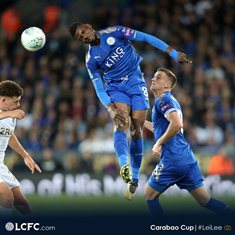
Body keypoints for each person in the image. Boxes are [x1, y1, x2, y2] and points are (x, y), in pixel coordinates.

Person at [68, 22, 191, 200]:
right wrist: (109, 107)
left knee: (136, 130)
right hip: (116, 88)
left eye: (84, 32)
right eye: (80, 38)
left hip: (136, 82)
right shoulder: (90, 60)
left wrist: (172, 52)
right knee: (121, 122)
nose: (84, 36)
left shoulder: (116, 32)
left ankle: (134, 178)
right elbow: (99, 88)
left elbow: (146, 38)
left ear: (89, 27)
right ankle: (123, 165)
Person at [144, 68, 234, 216]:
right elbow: (163, 128)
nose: (153, 79)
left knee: (149, 195)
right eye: (154, 76)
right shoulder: (169, 101)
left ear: (167, 85)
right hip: (187, 158)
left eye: (158, 77)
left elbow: (177, 124)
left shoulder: (163, 100)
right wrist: (141, 123)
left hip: (173, 159)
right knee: (205, 201)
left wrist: (158, 143)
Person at [0, 80, 42, 216]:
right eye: (15, 101)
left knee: (22, 203)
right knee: (6, 196)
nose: (18, 105)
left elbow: (8, 135)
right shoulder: (9, 114)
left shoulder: (10, 115)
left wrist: (25, 156)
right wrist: (8, 114)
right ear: (3, 100)